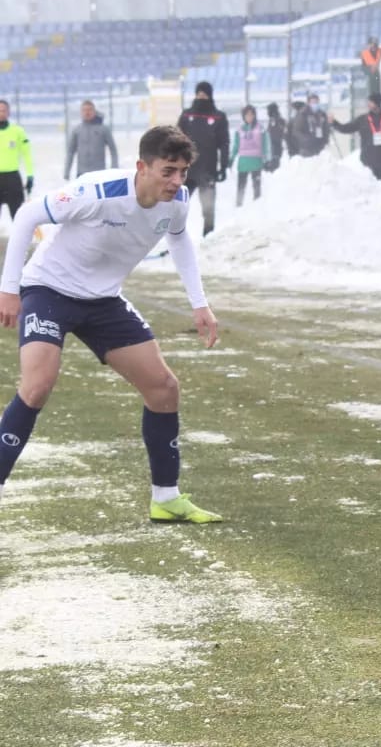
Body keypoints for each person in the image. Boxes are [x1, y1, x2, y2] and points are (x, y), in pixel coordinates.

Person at [0, 125, 222, 523]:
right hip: (48, 290)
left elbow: (179, 240)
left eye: (183, 172)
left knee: (164, 388)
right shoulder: (99, 191)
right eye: (168, 171)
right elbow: (29, 214)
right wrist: (9, 289)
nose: (176, 181)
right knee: (36, 387)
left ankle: (165, 498)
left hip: (103, 302)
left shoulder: (178, 202)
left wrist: (199, 304)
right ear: (142, 166)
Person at [177, 81, 229, 237]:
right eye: (199, 94)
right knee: (178, 205)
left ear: (210, 95)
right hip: (187, 169)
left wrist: (224, 165)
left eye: (204, 94)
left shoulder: (218, 117)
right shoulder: (187, 115)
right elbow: (176, 138)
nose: (201, 97)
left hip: (208, 169)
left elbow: (224, 143)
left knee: (208, 208)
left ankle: (208, 236)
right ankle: (175, 236)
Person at [331, 92, 381, 189]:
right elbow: (346, 128)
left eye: (371, 102)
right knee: (370, 196)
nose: (368, 104)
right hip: (369, 165)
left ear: (377, 103)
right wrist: (334, 123)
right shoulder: (363, 120)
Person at [64, 100, 119, 180]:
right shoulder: (77, 130)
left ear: (94, 111)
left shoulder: (103, 129)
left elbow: (113, 150)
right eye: (84, 110)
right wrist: (67, 172)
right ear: (81, 112)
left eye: (89, 110)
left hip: (99, 174)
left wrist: (114, 168)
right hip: (81, 174)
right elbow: (70, 152)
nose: (87, 112)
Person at [0, 99, 33, 227]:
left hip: (12, 180)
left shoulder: (18, 131)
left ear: (8, 112)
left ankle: (19, 246)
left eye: (3, 110)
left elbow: (27, 155)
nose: (1, 113)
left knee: (18, 218)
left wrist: (30, 176)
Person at [229, 105, 270, 206]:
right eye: (247, 115)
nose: (249, 117)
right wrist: (231, 159)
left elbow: (265, 145)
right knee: (241, 186)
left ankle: (257, 205)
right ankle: (239, 205)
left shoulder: (260, 129)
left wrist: (267, 159)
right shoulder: (240, 130)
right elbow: (236, 146)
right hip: (243, 162)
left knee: (256, 186)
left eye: (252, 114)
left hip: (256, 161)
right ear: (244, 116)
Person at [264, 102, 287, 172]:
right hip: (275, 146)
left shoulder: (275, 120)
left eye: (268, 110)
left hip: (275, 146)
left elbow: (274, 134)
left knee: (274, 166)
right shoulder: (277, 119)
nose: (267, 112)